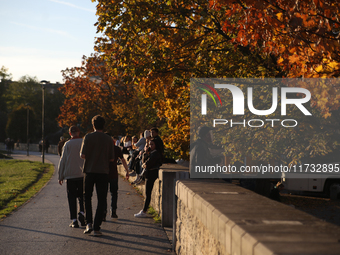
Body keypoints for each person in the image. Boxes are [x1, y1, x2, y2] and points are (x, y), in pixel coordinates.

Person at [80, 115, 115, 237]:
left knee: (87, 197)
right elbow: (111, 158)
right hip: (103, 172)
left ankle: (88, 223)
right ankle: (97, 227)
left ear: (93, 125)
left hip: (89, 171)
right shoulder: (108, 139)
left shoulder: (88, 137)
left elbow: (82, 155)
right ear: (103, 125)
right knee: (101, 200)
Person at [58, 126, 85, 228]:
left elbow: (63, 160)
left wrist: (60, 176)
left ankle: (74, 220)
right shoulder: (83, 142)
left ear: (70, 133)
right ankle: (82, 212)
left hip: (70, 175)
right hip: (82, 174)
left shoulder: (67, 144)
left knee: (72, 197)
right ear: (79, 132)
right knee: (83, 197)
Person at [103, 134, 130, 220]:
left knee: (103, 194)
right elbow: (123, 160)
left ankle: (103, 212)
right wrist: (127, 170)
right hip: (113, 174)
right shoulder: (116, 149)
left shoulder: (103, 149)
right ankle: (113, 211)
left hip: (103, 173)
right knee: (114, 193)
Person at [134, 138, 162, 217]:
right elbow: (144, 162)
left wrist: (144, 164)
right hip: (150, 173)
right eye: (150, 144)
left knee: (148, 193)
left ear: (156, 145)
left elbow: (147, 164)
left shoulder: (155, 153)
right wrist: (145, 154)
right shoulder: (152, 153)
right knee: (147, 193)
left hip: (151, 174)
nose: (150, 146)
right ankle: (144, 210)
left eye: (152, 144)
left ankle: (144, 211)